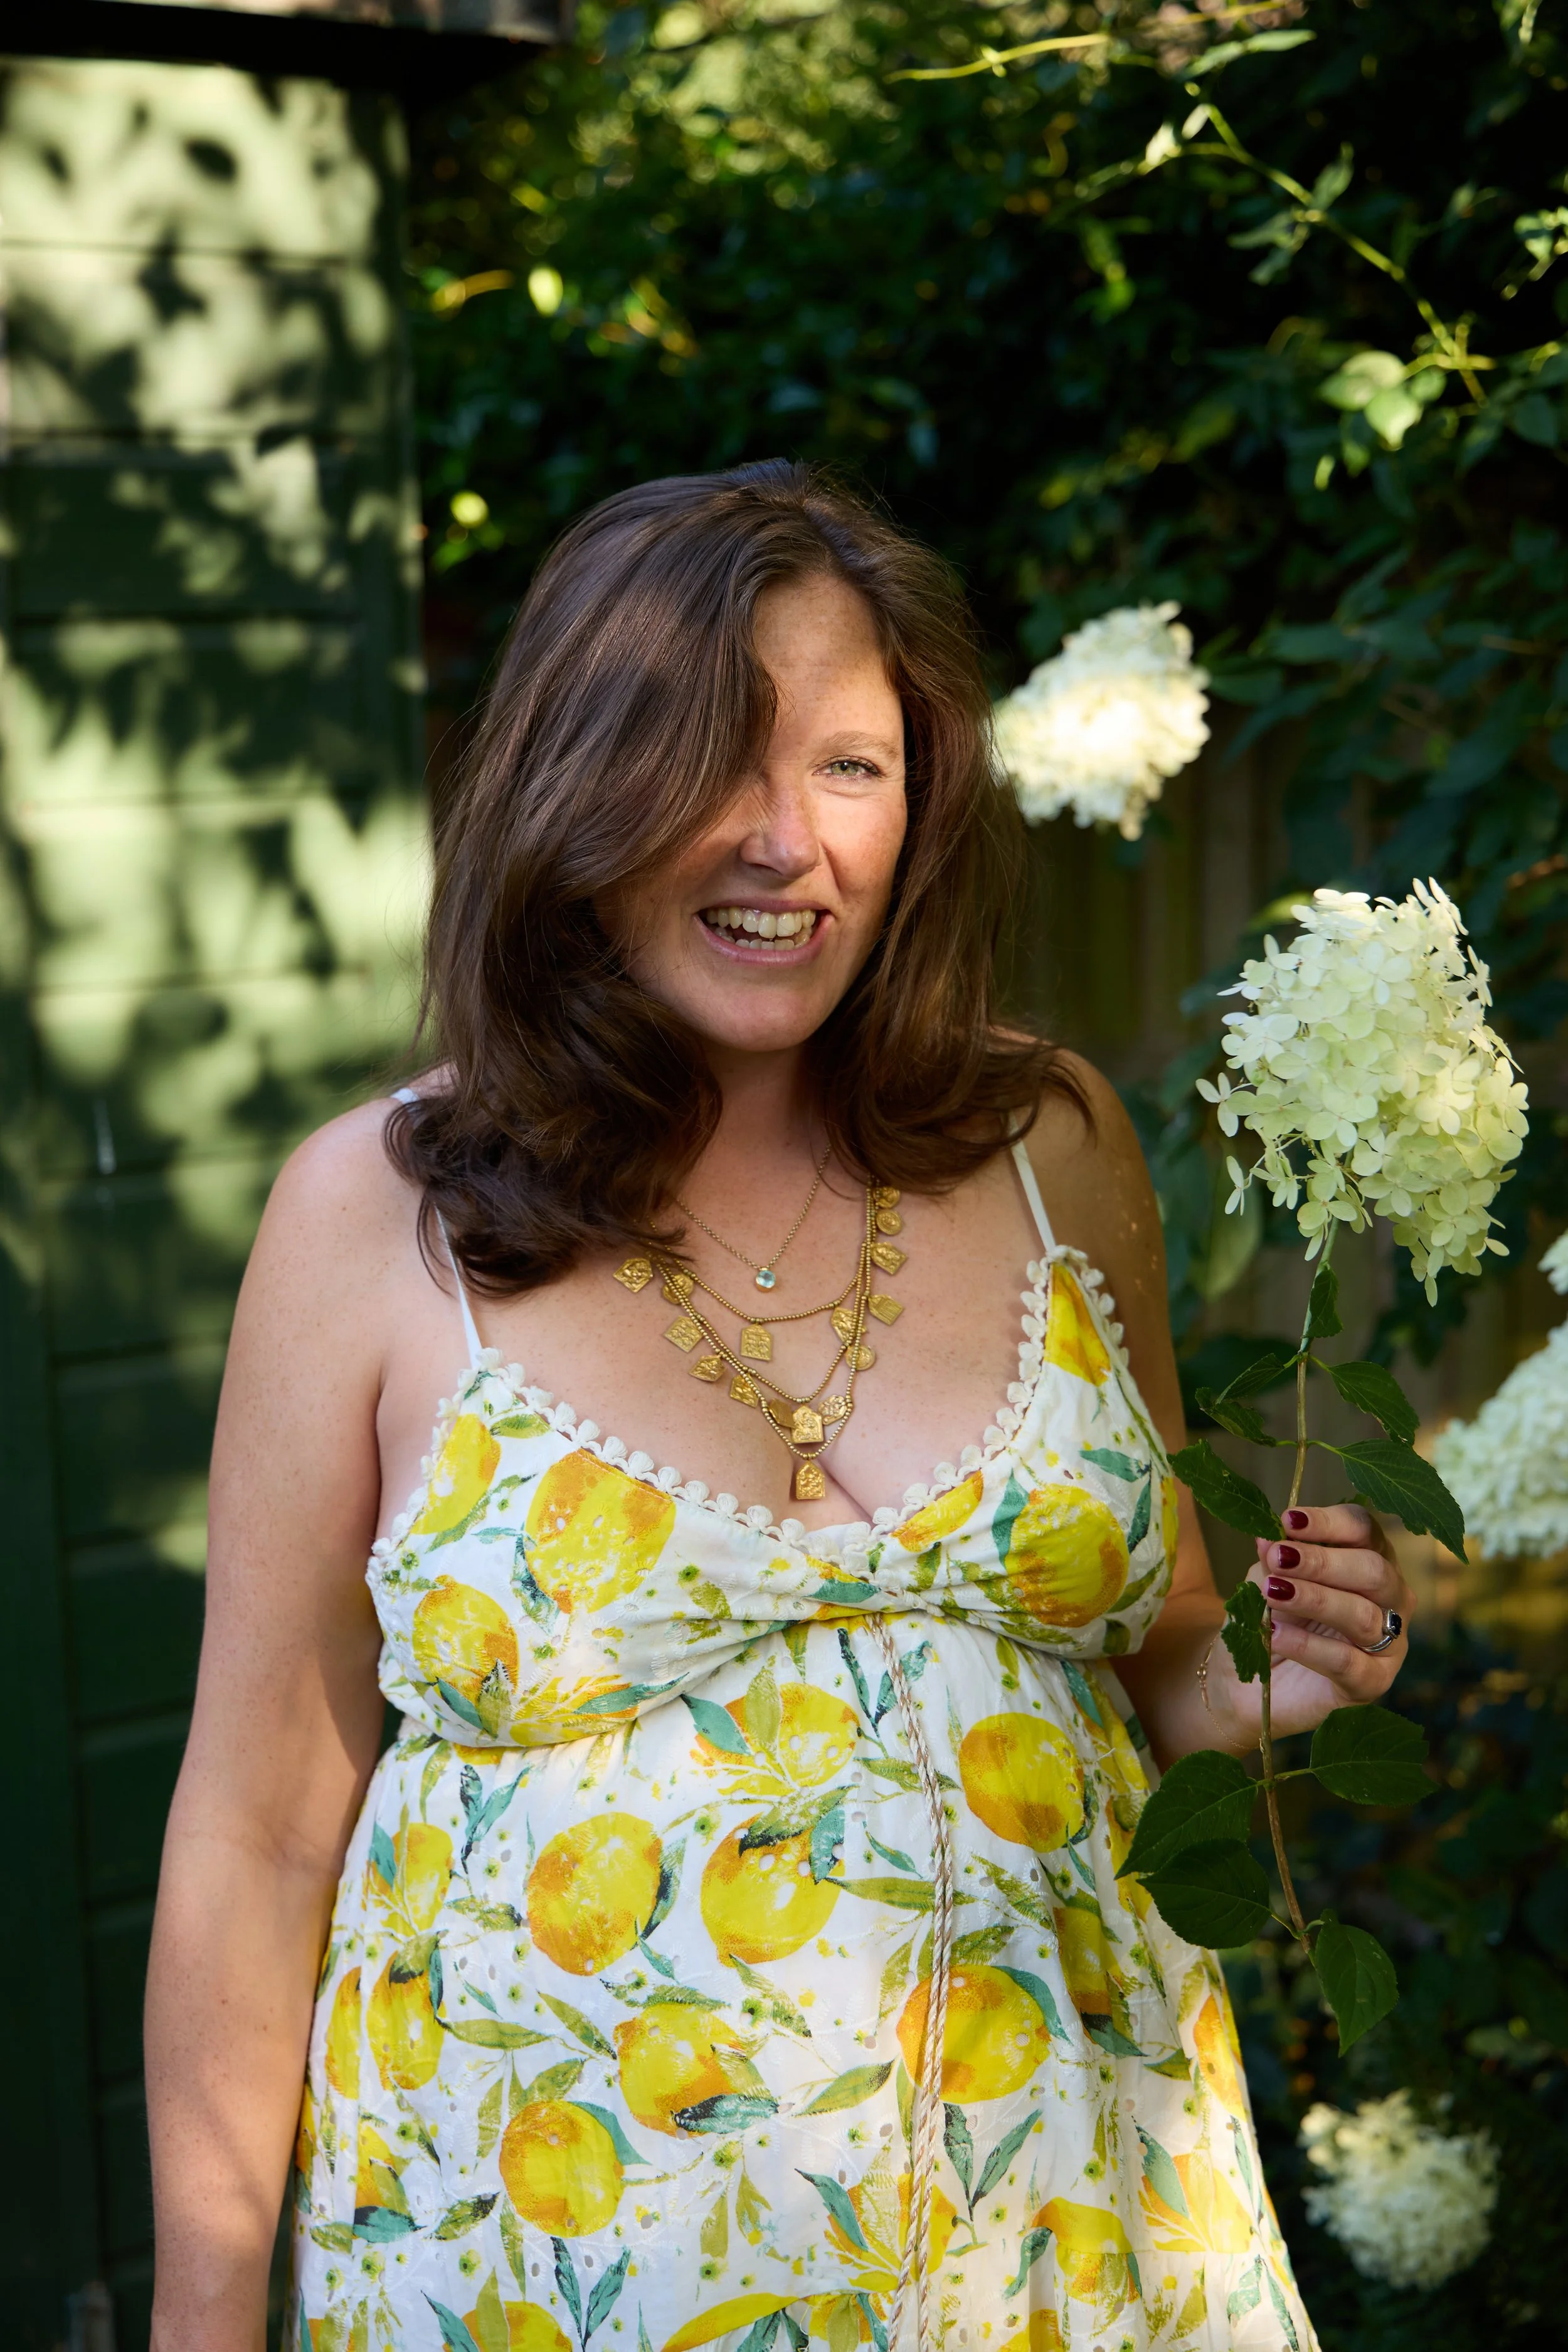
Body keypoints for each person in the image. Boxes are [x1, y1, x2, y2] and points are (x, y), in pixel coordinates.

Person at [146, 461, 1410, 2352]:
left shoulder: (1050, 1139)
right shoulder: (372, 1215)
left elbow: (1156, 1658)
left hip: (1071, 2252)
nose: (781, 843)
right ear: (573, 792)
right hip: (523, 2268)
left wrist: (1282, 1681)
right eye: (706, 767)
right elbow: (254, 1829)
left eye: (846, 765)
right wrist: (204, 2309)